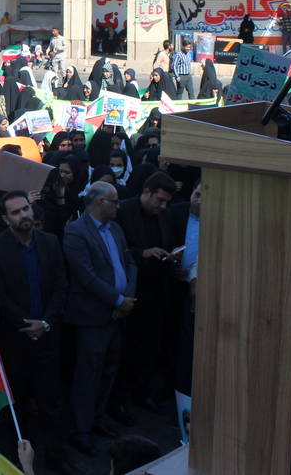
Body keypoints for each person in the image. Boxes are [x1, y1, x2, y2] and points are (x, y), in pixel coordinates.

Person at [0, 191, 71, 473]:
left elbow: (60, 286)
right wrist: (27, 324)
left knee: (51, 404)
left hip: (47, 337)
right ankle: (21, 466)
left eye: (26, 209)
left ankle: (57, 461)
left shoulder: (50, 242)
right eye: (17, 212)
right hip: (16, 342)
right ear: (5, 219)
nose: (24, 216)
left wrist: (45, 323)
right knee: (17, 409)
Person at [63, 182, 137, 455]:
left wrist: (127, 298)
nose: (118, 206)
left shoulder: (115, 229)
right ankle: (81, 429)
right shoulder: (76, 231)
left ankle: (98, 418)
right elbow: (86, 276)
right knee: (88, 374)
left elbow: (129, 262)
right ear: (98, 203)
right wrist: (118, 301)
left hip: (117, 315)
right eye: (114, 201)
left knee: (109, 369)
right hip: (92, 317)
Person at [115, 171, 186, 411]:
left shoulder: (164, 216)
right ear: (147, 192)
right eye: (160, 200)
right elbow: (116, 250)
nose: (163, 206)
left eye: (166, 202)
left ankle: (144, 392)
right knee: (126, 348)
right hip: (130, 293)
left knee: (149, 346)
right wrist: (142, 253)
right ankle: (121, 399)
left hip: (158, 292)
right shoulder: (122, 211)